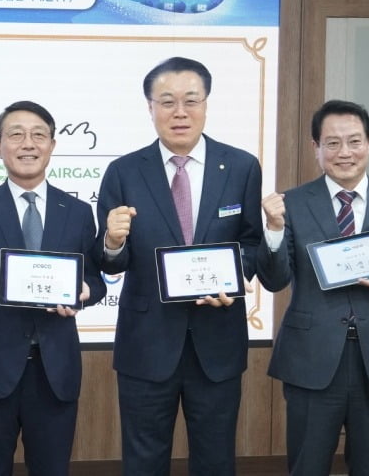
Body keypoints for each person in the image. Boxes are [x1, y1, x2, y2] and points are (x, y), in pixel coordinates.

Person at [96, 56, 262, 475]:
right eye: (167, 102)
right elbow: (111, 262)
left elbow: (252, 242)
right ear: (150, 107)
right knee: (144, 461)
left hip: (217, 341)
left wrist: (234, 275)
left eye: (191, 100)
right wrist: (113, 242)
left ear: (206, 104)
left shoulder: (241, 166)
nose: (180, 112)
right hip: (146, 343)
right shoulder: (123, 171)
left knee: (216, 459)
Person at [256, 99, 369, 476]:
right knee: (307, 467)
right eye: (332, 143)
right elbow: (274, 280)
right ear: (315, 148)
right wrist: (274, 230)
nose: (344, 152)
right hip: (311, 359)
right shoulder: (290, 205)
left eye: (354, 141)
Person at [0, 101, 106, 476]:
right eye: (16, 134)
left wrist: (84, 292)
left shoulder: (77, 211)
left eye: (38, 135)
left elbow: (96, 280)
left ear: (52, 145)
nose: (28, 143)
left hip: (54, 368)